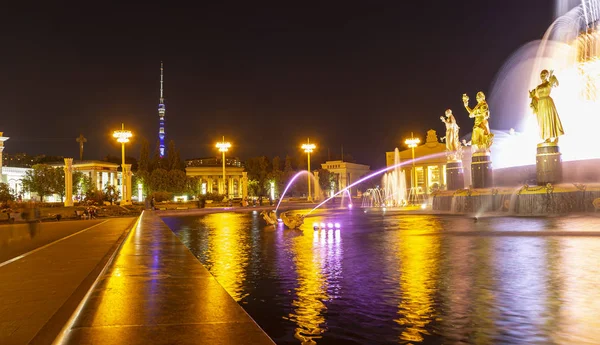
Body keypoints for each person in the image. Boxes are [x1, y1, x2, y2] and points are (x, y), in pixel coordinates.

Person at [529, 69, 565, 143]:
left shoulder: (549, 83)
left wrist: (551, 76)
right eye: (541, 75)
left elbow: (556, 84)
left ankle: (556, 137)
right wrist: (533, 103)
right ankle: (547, 137)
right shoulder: (538, 87)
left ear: (547, 75)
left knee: (550, 118)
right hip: (540, 104)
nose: (542, 76)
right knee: (543, 120)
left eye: (544, 74)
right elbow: (535, 96)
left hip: (548, 102)